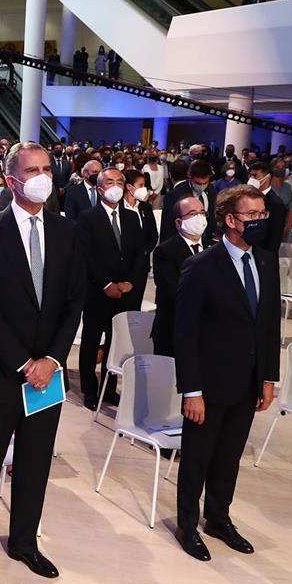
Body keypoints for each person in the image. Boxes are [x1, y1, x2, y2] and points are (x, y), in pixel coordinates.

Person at [0, 141, 85, 584]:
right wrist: (24, 363)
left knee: (35, 463)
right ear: (11, 178)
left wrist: (52, 360)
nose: (41, 176)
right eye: (31, 169)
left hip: (47, 376)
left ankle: (24, 542)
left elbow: (74, 300)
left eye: (47, 168)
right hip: (1, 372)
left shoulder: (67, 231)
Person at [173, 184, 280, 562]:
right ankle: (188, 524)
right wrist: (192, 390)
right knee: (197, 458)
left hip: (247, 380)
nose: (259, 221)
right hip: (209, 382)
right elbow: (183, 334)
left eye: (262, 214)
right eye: (251, 215)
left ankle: (219, 517)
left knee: (229, 456)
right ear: (230, 220)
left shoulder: (266, 262)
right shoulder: (201, 266)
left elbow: (268, 326)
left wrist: (268, 377)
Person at [76, 168, 144, 408]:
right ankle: (90, 391)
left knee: (116, 343)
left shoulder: (132, 217)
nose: (114, 186)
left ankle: (109, 387)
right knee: (92, 341)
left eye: (119, 181)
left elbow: (139, 254)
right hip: (97, 293)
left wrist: (130, 283)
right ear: (100, 188)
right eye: (109, 181)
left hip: (125, 294)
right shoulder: (87, 218)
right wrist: (106, 284)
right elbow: (86, 257)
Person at [151, 196, 207, 357]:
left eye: (202, 212)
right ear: (178, 222)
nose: (199, 218)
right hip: (175, 330)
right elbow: (172, 291)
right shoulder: (165, 251)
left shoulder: (215, 248)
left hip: (209, 333)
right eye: (192, 214)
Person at [121, 169, 159, 303]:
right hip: (121, 265)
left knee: (136, 303)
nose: (144, 189)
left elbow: (153, 234)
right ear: (129, 187)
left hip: (141, 265)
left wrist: (144, 251)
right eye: (141, 185)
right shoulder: (117, 207)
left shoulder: (145, 208)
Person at [159, 159, 215, 244]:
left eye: (205, 183)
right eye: (198, 183)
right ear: (190, 178)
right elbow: (167, 227)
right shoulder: (174, 196)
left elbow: (211, 216)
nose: (202, 186)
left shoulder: (210, 190)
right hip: (182, 243)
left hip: (204, 242)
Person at [246, 161, 288, 254]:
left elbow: (274, 237)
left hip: (263, 254)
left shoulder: (276, 204)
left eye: (255, 176)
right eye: (250, 176)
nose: (251, 179)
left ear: (267, 177)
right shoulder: (245, 197)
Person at [62, 159, 103, 223]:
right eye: (95, 172)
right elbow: (70, 217)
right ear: (85, 173)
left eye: (100, 172)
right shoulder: (72, 191)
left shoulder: (104, 190)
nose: (98, 175)